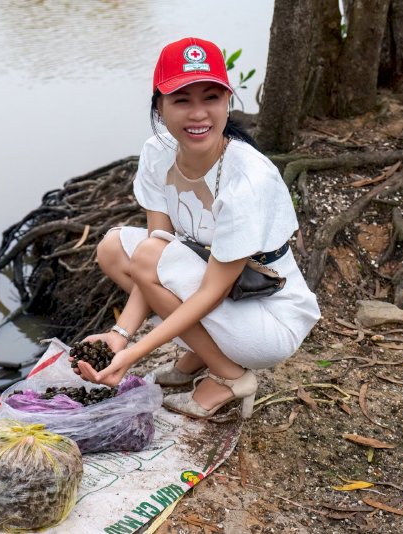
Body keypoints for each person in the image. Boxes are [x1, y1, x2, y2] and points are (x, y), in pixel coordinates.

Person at [73, 37, 321, 419]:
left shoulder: (248, 178)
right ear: (159, 105)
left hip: (269, 317)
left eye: (211, 98)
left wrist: (135, 351)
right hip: (226, 298)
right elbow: (149, 259)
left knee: (152, 254)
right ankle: (202, 352)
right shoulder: (158, 153)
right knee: (113, 248)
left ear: (228, 101)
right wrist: (118, 335)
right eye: (182, 100)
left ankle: (231, 376)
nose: (198, 114)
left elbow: (208, 289)